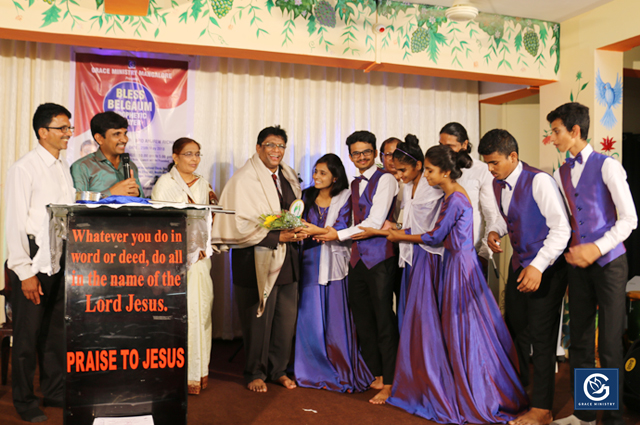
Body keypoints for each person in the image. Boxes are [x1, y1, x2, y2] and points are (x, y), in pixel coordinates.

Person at [385, 145, 529, 424]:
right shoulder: (451, 195)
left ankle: (478, 391)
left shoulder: (456, 199)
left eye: (429, 170)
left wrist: (397, 236)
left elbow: (434, 237)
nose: (425, 175)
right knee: (458, 327)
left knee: (466, 328)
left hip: (461, 266)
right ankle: (461, 384)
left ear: (446, 172)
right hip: (454, 263)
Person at [547, 103, 637, 425]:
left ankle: (611, 420)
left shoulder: (608, 166)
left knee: (610, 345)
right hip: (578, 266)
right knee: (581, 342)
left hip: (610, 264)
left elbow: (629, 220)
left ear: (574, 131)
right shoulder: (560, 172)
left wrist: (595, 249)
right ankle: (585, 415)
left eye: (556, 131)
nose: (552, 137)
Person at [478, 129, 571, 425]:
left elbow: (561, 230)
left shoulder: (540, 181)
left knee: (542, 340)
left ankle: (542, 409)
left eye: (494, 163)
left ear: (513, 156)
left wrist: (538, 266)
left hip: (547, 268)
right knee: (515, 328)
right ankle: (519, 391)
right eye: (487, 164)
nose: (490, 170)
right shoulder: (497, 183)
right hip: (520, 265)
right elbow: (505, 219)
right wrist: (494, 231)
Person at [211, 125, 303, 393]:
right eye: (271, 145)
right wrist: (276, 238)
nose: (277, 151)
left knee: (285, 321)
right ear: (258, 147)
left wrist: (295, 230)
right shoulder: (242, 180)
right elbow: (236, 226)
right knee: (257, 321)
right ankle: (255, 372)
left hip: (287, 260)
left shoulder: (288, 176)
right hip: (253, 260)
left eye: (281, 146)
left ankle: (278, 370)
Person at [315, 130, 399, 404]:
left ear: (375, 153)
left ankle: (389, 381)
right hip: (357, 259)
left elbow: (373, 223)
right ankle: (376, 372)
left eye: (366, 152)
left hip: (381, 258)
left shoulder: (385, 179)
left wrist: (336, 235)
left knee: (384, 319)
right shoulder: (354, 184)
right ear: (350, 156)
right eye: (355, 153)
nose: (361, 157)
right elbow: (347, 219)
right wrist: (324, 230)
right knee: (363, 317)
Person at [5, 103, 76, 423]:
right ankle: (23, 399)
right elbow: (15, 222)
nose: (68, 134)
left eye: (69, 128)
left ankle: (55, 390)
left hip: (57, 256)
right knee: (26, 336)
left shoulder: (62, 166)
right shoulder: (25, 167)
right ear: (42, 131)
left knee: (54, 332)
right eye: (62, 128)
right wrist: (24, 271)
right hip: (32, 259)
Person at [294, 154, 372, 392]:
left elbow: (340, 228)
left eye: (322, 173)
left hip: (335, 262)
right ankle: (310, 368)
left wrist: (312, 229)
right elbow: (296, 221)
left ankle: (341, 366)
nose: (316, 177)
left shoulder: (346, 196)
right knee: (310, 318)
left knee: (337, 318)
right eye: (315, 172)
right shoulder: (306, 196)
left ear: (335, 177)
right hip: (309, 260)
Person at [150, 137, 217, 395]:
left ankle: (198, 372)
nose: (194, 159)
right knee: (179, 316)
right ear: (175, 157)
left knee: (202, 312)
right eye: (188, 154)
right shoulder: (165, 184)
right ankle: (176, 374)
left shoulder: (203, 184)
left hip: (200, 260)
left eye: (198, 154)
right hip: (174, 261)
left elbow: (209, 219)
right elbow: (160, 225)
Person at [439, 122, 499, 270]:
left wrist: (484, 254)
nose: (443, 151)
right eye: (441, 145)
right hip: (440, 251)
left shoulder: (481, 170)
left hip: (470, 252)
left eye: (450, 146)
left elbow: (491, 215)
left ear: (464, 144)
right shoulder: (437, 170)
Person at [70, 111, 143, 197]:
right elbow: (78, 203)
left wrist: (137, 194)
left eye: (125, 134)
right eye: (117, 134)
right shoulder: (82, 167)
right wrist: (110, 193)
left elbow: (143, 202)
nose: (124, 140)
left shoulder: (130, 165)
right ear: (99, 138)